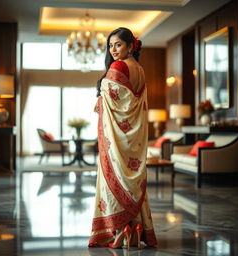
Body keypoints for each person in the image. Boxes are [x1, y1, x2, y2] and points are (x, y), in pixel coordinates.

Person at [89, 27, 157, 249]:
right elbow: (131, 104)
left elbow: (111, 103)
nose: (113, 50)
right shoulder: (140, 70)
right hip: (133, 141)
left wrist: (101, 100)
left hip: (117, 141)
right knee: (131, 184)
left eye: (118, 44)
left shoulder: (118, 67)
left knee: (114, 182)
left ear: (130, 46)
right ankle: (135, 227)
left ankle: (121, 229)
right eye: (110, 46)